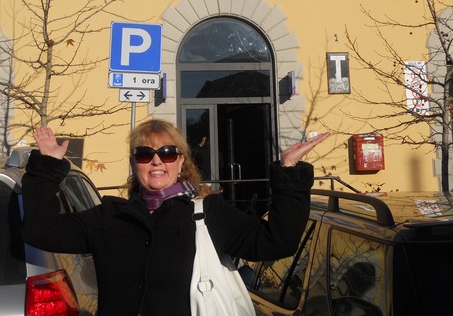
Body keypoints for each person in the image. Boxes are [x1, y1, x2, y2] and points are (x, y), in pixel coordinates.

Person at [22, 119, 331, 316]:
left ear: (181, 161)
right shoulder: (109, 217)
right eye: (145, 154)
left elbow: (277, 241)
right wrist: (47, 168)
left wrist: (288, 172)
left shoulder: (208, 213)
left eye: (167, 153)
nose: (157, 161)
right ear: (135, 163)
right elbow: (40, 230)